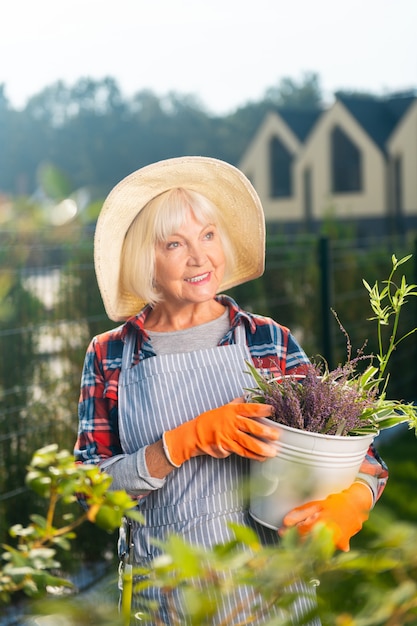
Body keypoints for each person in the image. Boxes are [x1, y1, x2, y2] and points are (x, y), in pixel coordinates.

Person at [74, 157, 388, 625]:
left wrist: (352, 502)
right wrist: (179, 444)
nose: (199, 257)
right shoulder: (111, 356)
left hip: (275, 592)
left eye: (208, 235)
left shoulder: (267, 340)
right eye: (174, 243)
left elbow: (363, 458)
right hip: (170, 599)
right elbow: (89, 493)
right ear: (146, 259)